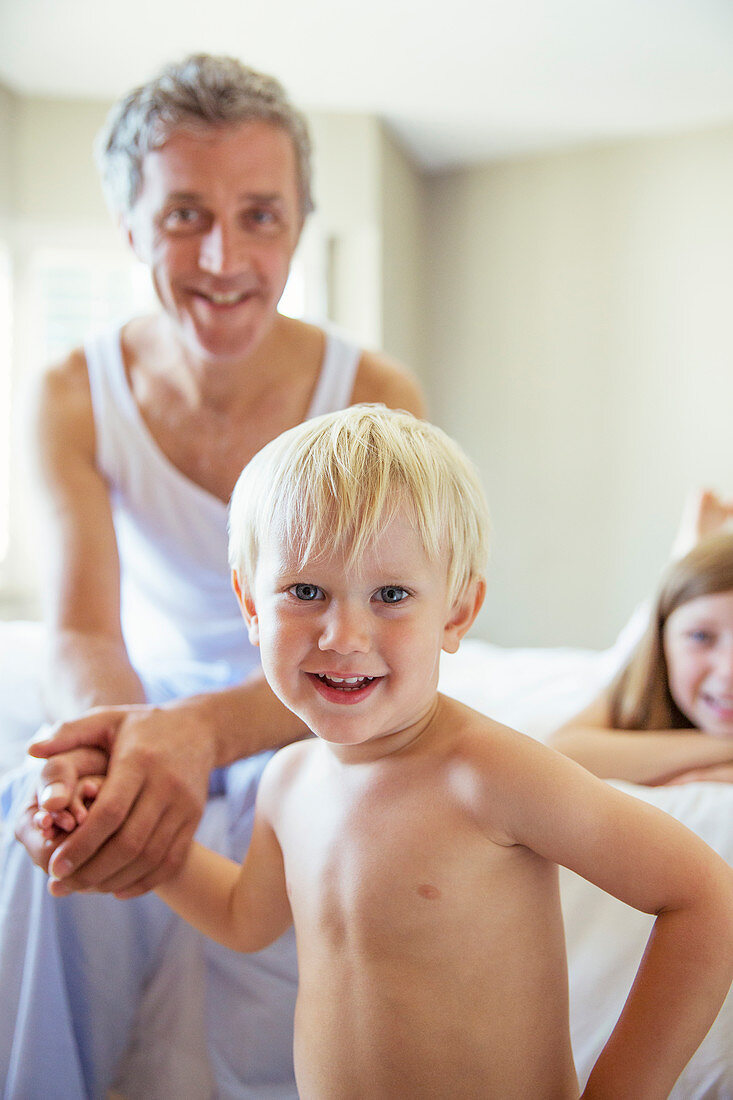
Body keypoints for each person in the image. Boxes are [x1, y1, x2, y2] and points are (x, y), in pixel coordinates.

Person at [43, 404, 733, 1098]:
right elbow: (244, 920)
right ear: (250, 606)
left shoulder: (489, 774)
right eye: (305, 591)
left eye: (392, 595)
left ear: (456, 613)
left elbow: (703, 896)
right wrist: (120, 829)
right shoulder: (289, 781)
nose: (344, 635)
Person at [0, 54, 424, 1098]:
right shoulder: (70, 390)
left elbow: (377, 633)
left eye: (261, 215)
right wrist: (124, 738)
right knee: (48, 825)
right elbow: (79, 623)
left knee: (336, 847)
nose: (224, 255)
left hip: (317, 699)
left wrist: (206, 732)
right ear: (129, 222)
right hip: (141, 695)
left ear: (299, 224)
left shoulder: (370, 390)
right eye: (184, 213)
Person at [550, 505, 733, 787]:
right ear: (662, 644)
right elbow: (560, 754)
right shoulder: (642, 686)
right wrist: (723, 748)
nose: (727, 671)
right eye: (701, 637)